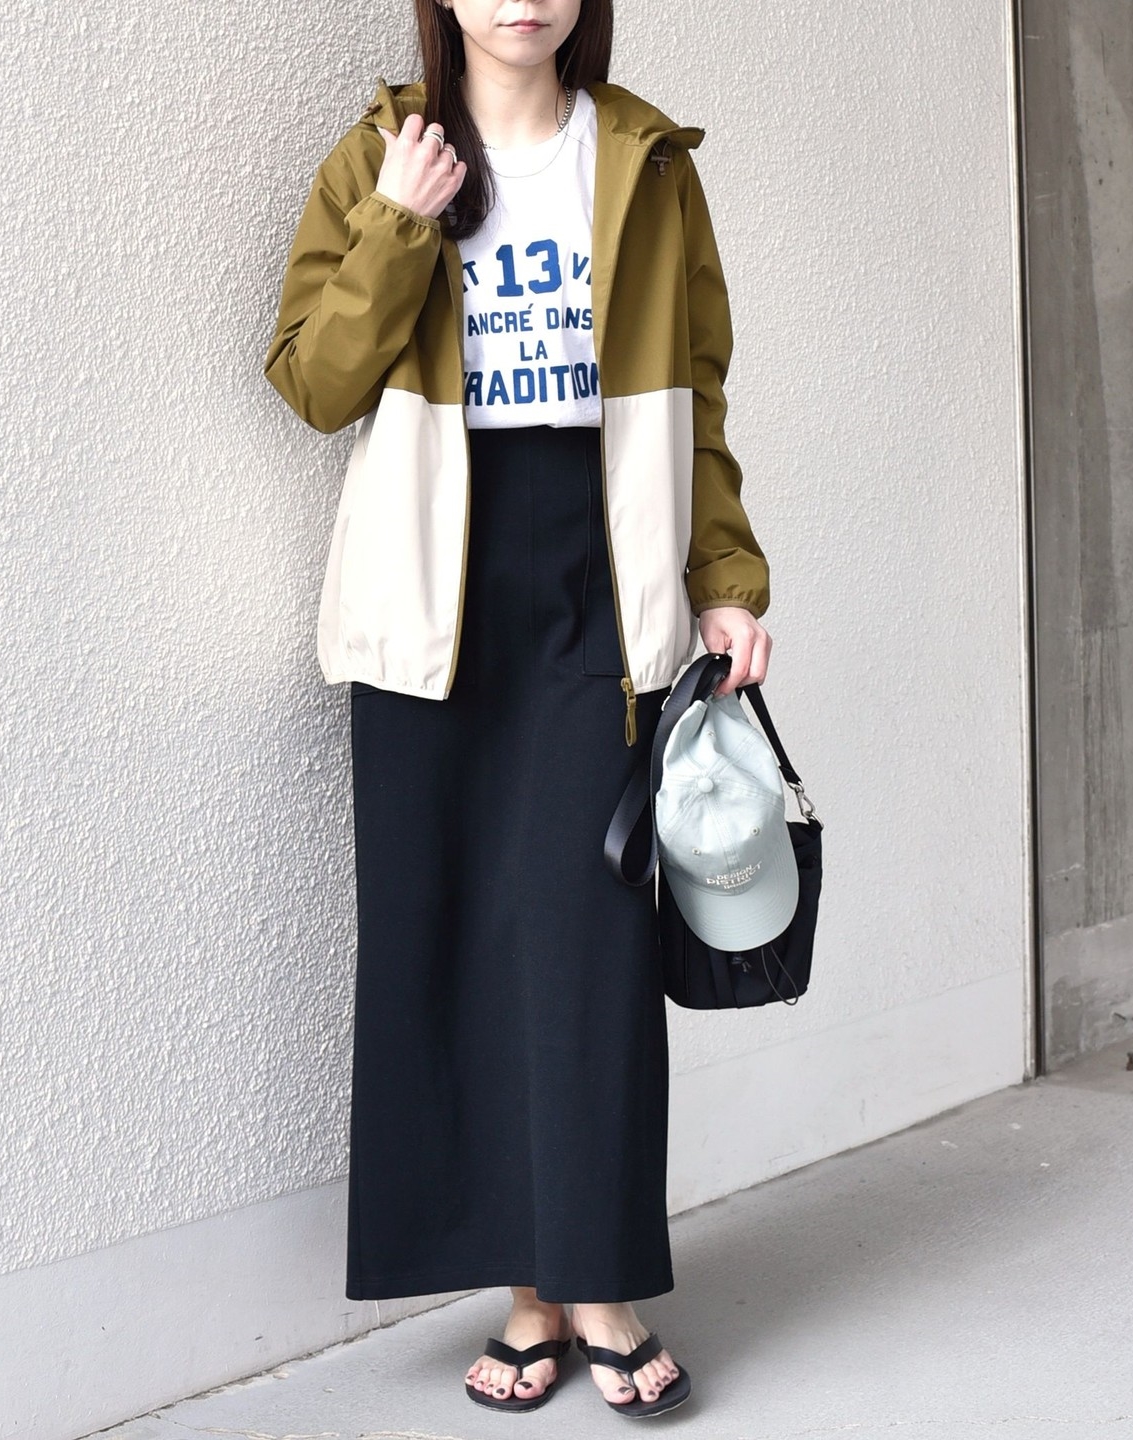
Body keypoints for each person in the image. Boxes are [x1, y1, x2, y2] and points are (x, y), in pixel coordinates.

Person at [263, 0, 771, 1418]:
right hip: (433, 585)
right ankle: (533, 1292)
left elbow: (698, 397)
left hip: (595, 574)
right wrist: (399, 221)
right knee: (449, 938)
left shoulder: (648, 162)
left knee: (590, 939)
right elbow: (313, 383)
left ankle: (595, 1281)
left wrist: (725, 577)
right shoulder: (382, 155)